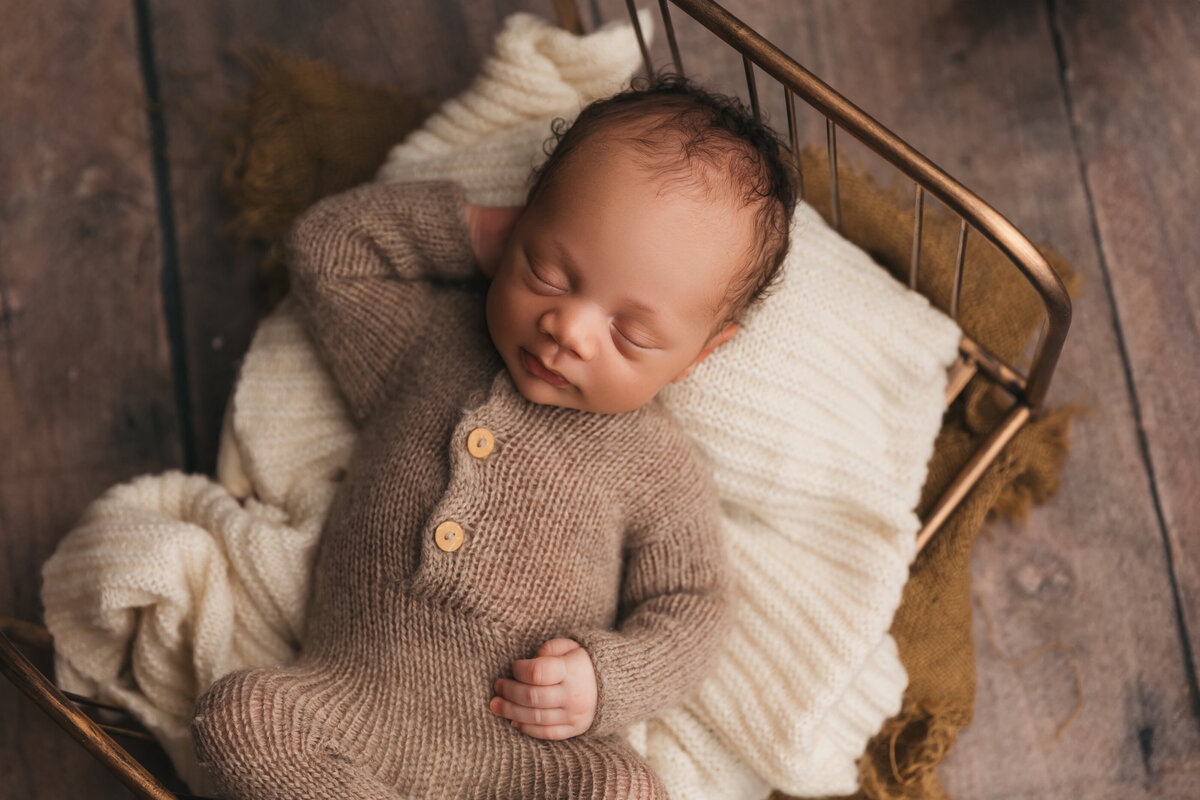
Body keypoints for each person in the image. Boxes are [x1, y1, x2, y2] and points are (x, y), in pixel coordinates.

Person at [191, 75, 796, 799]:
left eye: (629, 333)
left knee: (622, 790)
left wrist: (607, 679)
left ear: (700, 353)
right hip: (348, 701)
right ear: (524, 222)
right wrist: (474, 231)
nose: (567, 328)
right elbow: (326, 250)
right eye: (549, 270)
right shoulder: (429, 345)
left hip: (519, 749)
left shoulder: (651, 462)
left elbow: (694, 603)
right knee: (241, 717)